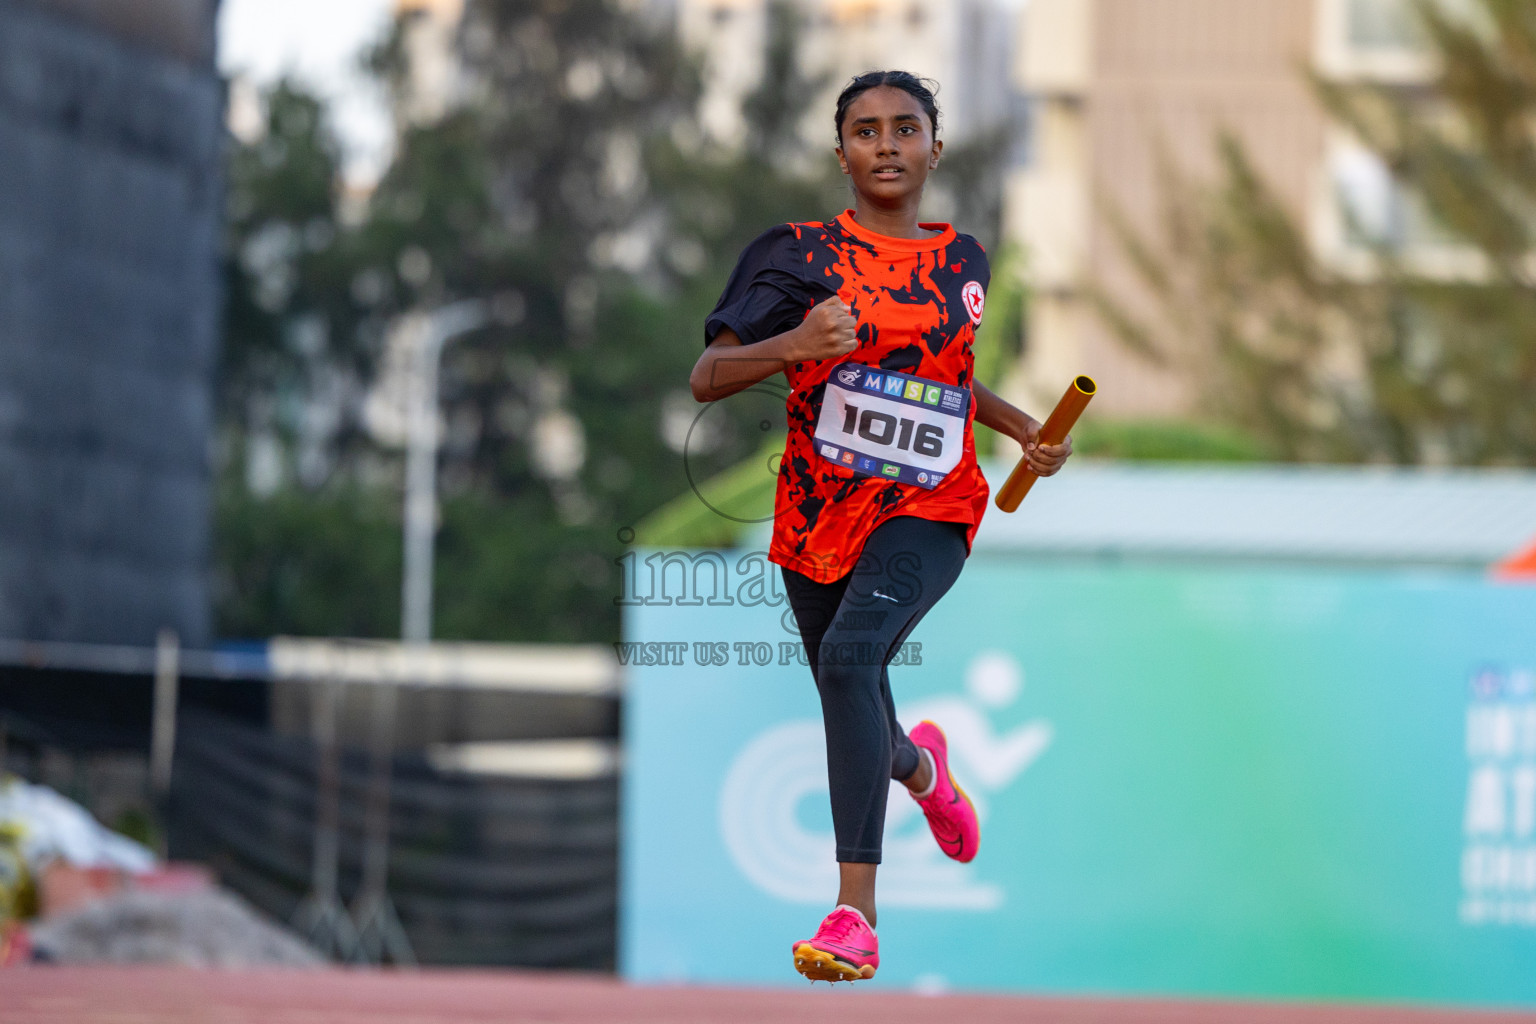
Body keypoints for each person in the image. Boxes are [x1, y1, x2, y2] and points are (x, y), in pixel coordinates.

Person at [690, 70, 1073, 983]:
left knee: (852, 661)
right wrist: (795, 346)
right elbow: (708, 376)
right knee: (845, 683)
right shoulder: (794, 255)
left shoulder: (964, 264)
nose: (889, 144)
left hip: (931, 505)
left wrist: (1018, 425)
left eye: (908, 128)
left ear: (936, 149)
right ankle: (923, 770)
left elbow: (938, 377)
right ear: (842, 154)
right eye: (867, 130)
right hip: (819, 515)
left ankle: (854, 915)